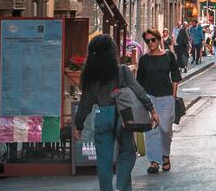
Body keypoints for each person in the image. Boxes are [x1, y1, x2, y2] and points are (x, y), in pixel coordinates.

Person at [74, 35, 159, 191]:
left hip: (101, 116)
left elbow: (85, 103)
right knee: (128, 153)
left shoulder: (90, 76)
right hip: (122, 116)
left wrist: (78, 125)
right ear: (112, 53)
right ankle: (121, 186)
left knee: (103, 160)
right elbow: (139, 91)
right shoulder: (121, 71)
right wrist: (152, 109)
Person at [137, 28, 182, 173]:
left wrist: (173, 95)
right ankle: (155, 161)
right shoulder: (144, 59)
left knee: (165, 128)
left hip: (167, 97)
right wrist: (143, 101)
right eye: (147, 41)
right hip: (150, 97)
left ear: (158, 39)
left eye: (153, 40)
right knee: (151, 130)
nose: (150, 43)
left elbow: (175, 76)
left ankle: (165, 155)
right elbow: (139, 82)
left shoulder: (169, 56)